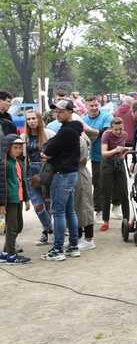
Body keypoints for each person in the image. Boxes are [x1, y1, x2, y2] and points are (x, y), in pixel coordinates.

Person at [40, 100, 84, 261]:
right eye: (56, 111)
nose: (57, 113)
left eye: (61, 111)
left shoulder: (66, 131)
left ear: (70, 112)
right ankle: (73, 246)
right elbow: (50, 146)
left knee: (58, 212)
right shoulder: (71, 128)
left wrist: (48, 152)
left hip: (62, 174)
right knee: (69, 211)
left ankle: (57, 249)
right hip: (70, 173)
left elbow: (48, 149)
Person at [22, 110, 55, 246]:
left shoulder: (50, 134)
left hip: (46, 170)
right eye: (28, 119)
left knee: (48, 204)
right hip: (31, 172)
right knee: (38, 205)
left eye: (33, 118)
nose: (31, 121)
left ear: (39, 119)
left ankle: (45, 233)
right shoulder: (24, 136)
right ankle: (51, 230)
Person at [0, 135, 30, 264]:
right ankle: (12, 255)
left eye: (20, 148)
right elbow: (1, 184)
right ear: (8, 148)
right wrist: (1, 204)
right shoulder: (4, 164)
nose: (18, 150)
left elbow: (22, 181)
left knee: (18, 226)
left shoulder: (18, 162)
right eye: (15, 148)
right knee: (12, 227)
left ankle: (5, 252)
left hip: (19, 199)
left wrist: (27, 199)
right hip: (9, 200)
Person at [82, 96, 113, 223]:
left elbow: (105, 132)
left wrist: (89, 131)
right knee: (98, 183)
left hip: (110, 155)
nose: (94, 108)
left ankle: (115, 204)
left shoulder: (106, 117)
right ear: (86, 107)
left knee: (111, 184)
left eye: (96, 105)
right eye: (91, 106)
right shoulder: (83, 119)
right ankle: (99, 210)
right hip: (95, 157)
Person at [100, 117, 130, 232]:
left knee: (124, 192)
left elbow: (124, 150)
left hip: (119, 163)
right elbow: (104, 153)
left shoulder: (125, 134)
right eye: (116, 129)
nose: (118, 132)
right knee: (106, 192)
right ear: (111, 127)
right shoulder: (106, 135)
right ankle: (105, 221)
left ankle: (126, 219)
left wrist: (124, 152)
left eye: (120, 129)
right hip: (107, 164)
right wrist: (116, 150)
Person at [75, 132, 96, 250]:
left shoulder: (80, 140)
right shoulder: (77, 138)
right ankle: (77, 237)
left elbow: (80, 159)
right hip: (76, 174)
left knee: (85, 206)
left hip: (80, 174)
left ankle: (89, 238)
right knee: (76, 207)